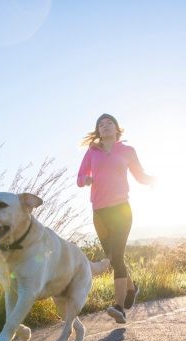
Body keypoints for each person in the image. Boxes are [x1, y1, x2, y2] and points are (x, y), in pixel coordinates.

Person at [77, 113, 155, 323]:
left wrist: (152, 179)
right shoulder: (92, 152)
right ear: (98, 132)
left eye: (109, 123)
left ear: (117, 128)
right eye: (101, 125)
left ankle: (119, 307)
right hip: (99, 212)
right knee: (113, 258)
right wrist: (86, 180)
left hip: (121, 209)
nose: (105, 126)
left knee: (117, 256)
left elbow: (139, 175)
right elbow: (79, 176)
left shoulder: (127, 151)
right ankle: (131, 287)